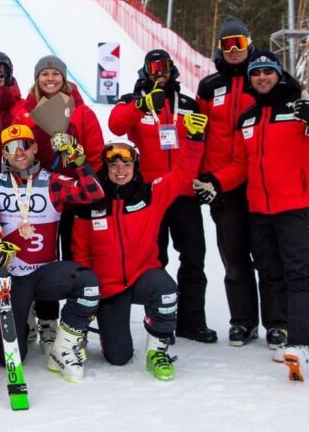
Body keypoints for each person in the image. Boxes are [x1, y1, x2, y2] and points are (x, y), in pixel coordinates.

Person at [213, 50, 309, 382]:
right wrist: (215, 181)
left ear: (278, 74)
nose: (262, 78)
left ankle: (301, 341)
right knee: (270, 272)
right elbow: (241, 166)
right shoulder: (249, 118)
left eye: (268, 72)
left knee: (298, 272)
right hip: (260, 209)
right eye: (256, 74)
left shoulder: (300, 108)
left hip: (297, 205)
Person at [72, 116, 207, 381]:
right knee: (118, 357)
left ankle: (158, 349)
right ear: (105, 167)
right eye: (113, 164)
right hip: (108, 286)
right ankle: (108, 328)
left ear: (135, 165)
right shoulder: (92, 202)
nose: (120, 170)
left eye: (126, 163)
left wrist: (194, 140)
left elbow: (183, 175)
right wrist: (88, 294)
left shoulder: (150, 194)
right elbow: (80, 252)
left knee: (167, 290)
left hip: (143, 276)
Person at [0, 124, 104, 382]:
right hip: (10, 277)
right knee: (10, 354)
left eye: (24, 146)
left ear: (35, 148)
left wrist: (77, 158)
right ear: (4, 154)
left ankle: (62, 347)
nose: (18, 152)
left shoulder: (51, 181)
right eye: (10, 148)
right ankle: (26, 323)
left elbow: (94, 192)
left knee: (87, 283)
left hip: (43, 274)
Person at [108, 49, 216, 344]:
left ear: (173, 71)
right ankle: (159, 321)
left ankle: (192, 321)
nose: (159, 72)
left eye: (165, 67)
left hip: (183, 194)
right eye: (153, 67)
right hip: (151, 195)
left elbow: (204, 144)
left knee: (194, 258)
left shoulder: (188, 104)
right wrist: (141, 106)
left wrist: (207, 180)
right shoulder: (134, 102)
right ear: (145, 71)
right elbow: (116, 125)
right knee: (155, 259)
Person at [195, 16, 284, 347]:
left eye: (239, 43)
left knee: (267, 256)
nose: (233, 50)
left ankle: (277, 322)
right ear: (219, 48)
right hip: (221, 186)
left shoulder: (263, 78)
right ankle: (243, 321)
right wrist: (202, 175)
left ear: (250, 43)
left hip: (260, 183)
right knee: (233, 257)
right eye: (227, 44)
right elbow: (198, 133)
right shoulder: (209, 86)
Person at [15, 55, 105, 349]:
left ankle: (72, 320)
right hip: (39, 195)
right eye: (45, 74)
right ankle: (42, 319)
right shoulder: (25, 111)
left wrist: (75, 152)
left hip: (73, 196)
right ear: (37, 78)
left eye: (55, 74)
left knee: (72, 257)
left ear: (64, 78)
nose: (50, 79)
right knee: (38, 257)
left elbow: (95, 156)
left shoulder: (82, 113)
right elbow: (19, 150)